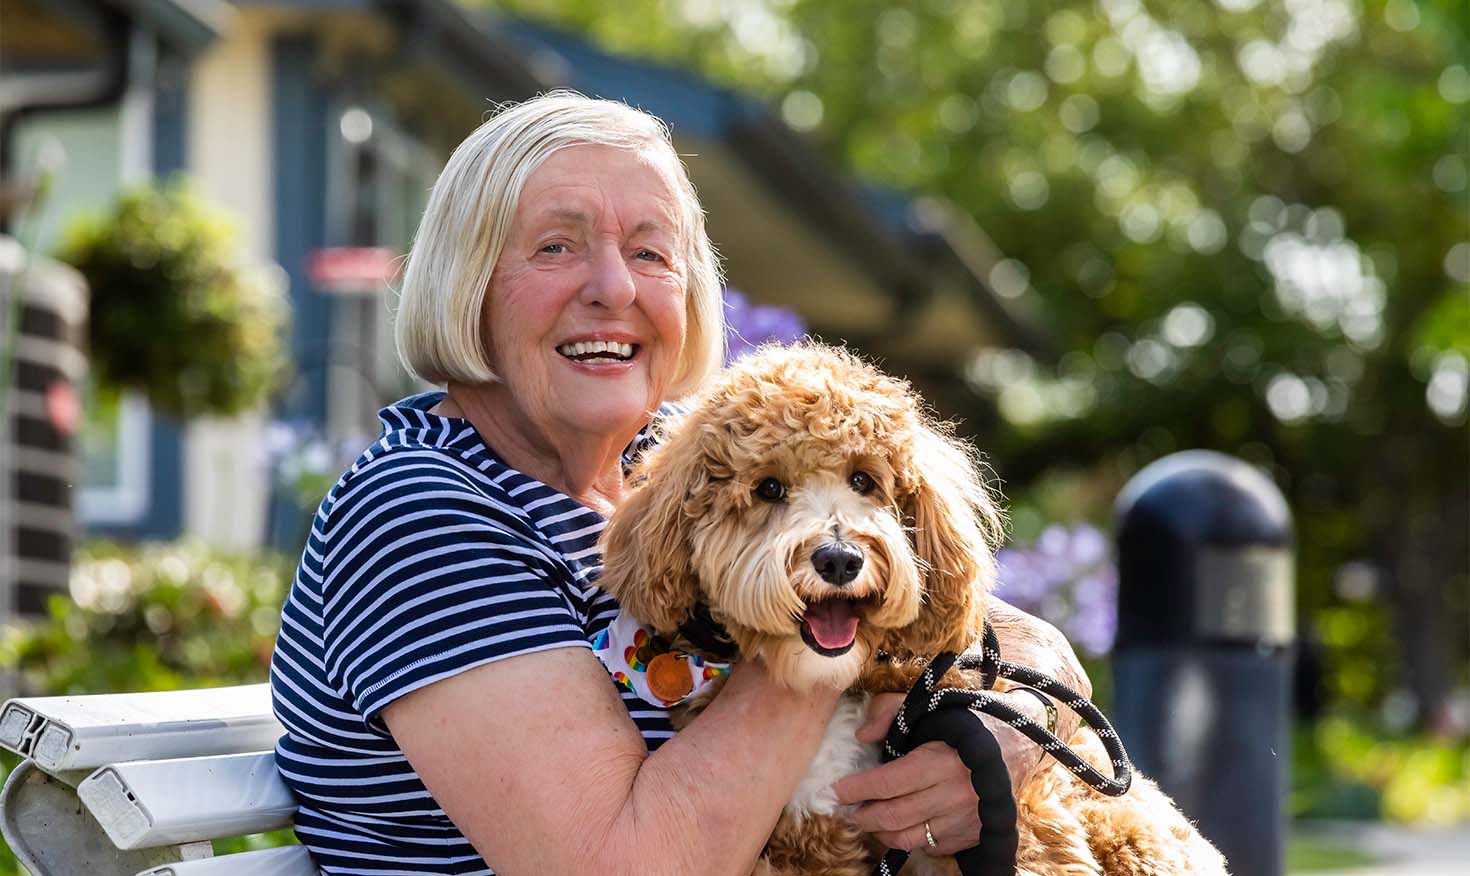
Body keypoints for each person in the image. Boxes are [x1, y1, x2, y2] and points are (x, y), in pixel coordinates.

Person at [269, 91, 1091, 876]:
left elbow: (979, 619)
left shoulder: (672, 463)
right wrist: (805, 622)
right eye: (557, 246)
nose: (614, 288)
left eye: (650, 252)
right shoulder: (421, 516)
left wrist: (1012, 725)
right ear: (465, 282)